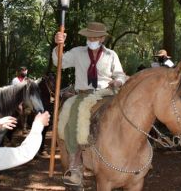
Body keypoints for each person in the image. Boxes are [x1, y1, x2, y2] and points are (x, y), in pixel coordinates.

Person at [53, 21, 127, 185]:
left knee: (128, 112)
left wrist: (118, 82)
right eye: (89, 36)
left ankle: (137, 157)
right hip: (83, 94)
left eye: (95, 37)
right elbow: (59, 62)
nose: (91, 39)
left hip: (107, 93)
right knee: (72, 114)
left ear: (102, 38)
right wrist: (59, 45)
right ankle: (75, 166)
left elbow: (120, 74)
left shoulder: (111, 55)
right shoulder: (77, 52)